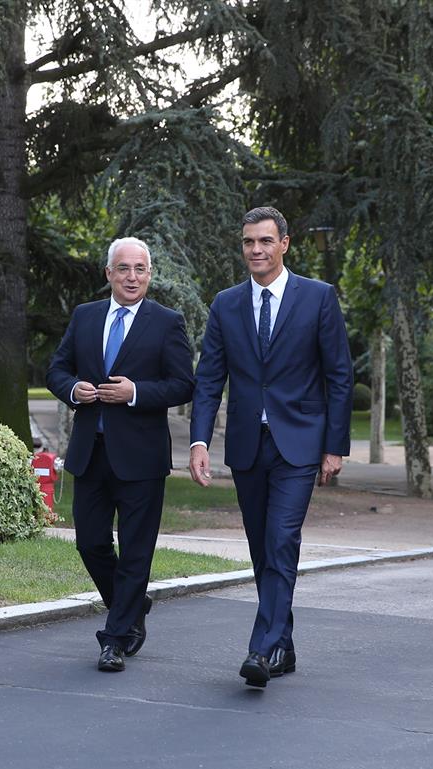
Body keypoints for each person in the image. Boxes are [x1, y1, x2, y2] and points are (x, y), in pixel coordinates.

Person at [188, 207, 353, 688]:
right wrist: (199, 440)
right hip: (246, 444)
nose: (255, 250)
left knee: (282, 541)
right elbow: (209, 379)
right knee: (262, 548)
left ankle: (261, 650)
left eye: (264, 241)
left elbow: (339, 376)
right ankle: (285, 644)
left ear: (284, 243)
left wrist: (334, 446)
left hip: (299, 444)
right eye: (247, 242)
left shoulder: (318, 298)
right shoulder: (226, 304)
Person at [46, 237, 195, 672]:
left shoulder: (167, 322)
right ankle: (132, 607)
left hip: (142, 459)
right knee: (90, 542)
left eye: (141, 269)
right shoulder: (86, 316)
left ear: (150, 274)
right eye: (124, 269)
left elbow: (183, 384)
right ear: (108, 273)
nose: (133, 277)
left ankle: (114, 638)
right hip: (90, 454)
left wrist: (135, 393)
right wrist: (73, 389)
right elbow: (57, 369)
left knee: (135, 552)